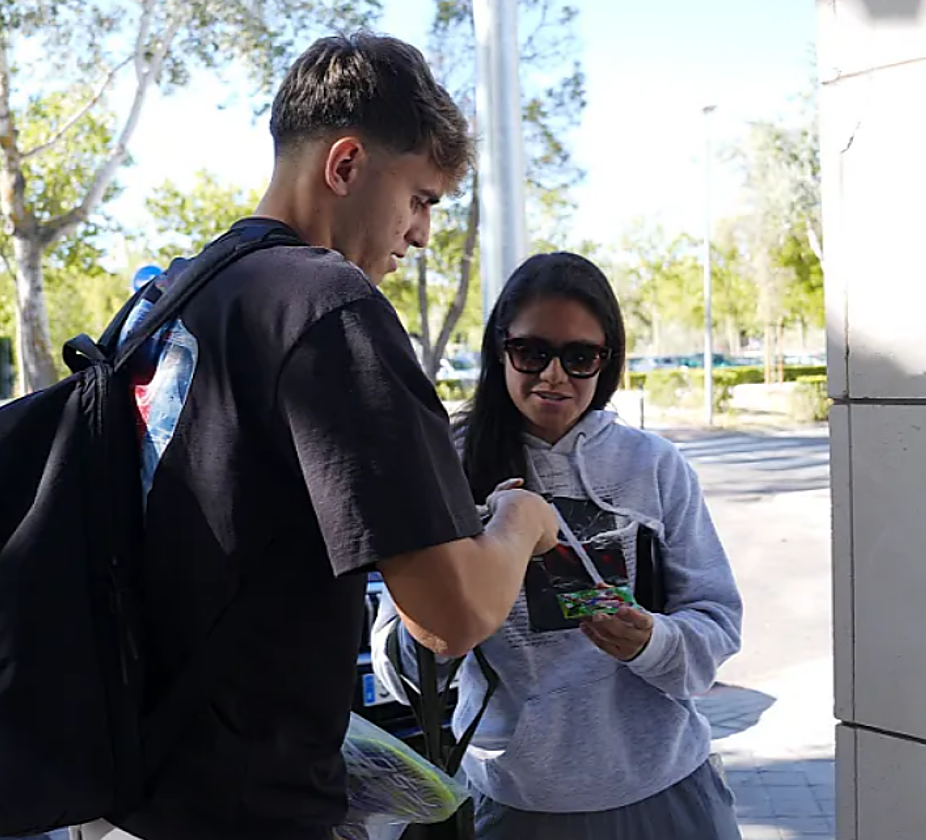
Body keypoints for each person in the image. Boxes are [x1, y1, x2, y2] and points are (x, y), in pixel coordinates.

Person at [73, 32, 560, 840]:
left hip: (136, 788)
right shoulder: (327, 306)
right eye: (421, 198)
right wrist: (521, 523)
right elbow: (452, 612)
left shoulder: (177, 296)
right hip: (252, 807)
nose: (422, 233)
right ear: (345, 165)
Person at [371, 252, 744, 839]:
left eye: (580, 358)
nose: (554, 376)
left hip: (666, 787)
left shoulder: (654, 466)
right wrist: (450, 617)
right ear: (500, 350)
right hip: (515, 802)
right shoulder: (445, 463)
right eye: (531, 353)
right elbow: (400, 664)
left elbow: (718, 623)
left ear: (608, 360)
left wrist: (655, 641)